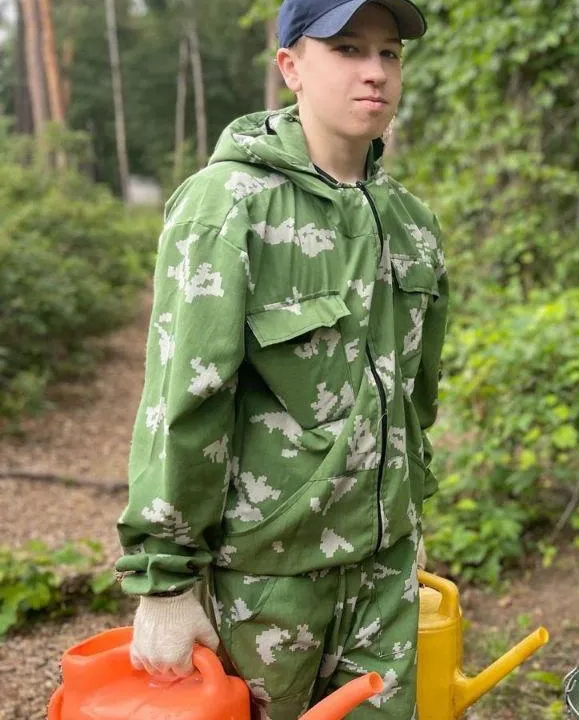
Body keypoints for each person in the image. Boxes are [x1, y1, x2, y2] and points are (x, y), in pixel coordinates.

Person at [114, 1, 447, 716]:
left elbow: (415, 399)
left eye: (389, 53)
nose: (375, 73)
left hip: (382, 576)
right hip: (267, 580)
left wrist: (408, 526)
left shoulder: (411, 224)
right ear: (291, 67)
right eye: (348, 49)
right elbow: (183, 402)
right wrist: (165, 583)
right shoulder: (229, 207)